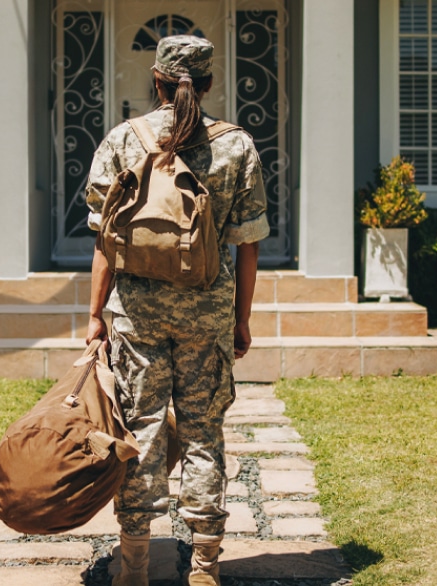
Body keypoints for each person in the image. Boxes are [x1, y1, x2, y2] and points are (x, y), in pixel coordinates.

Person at [85, 34, 269, 586]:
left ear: (157, 81)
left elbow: (104, 241)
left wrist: (95, 315)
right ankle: (206, 568)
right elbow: (248, 243)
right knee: (203, 434)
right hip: (207, 315)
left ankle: (135, 566)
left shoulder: (124, 140)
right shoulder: (235, 146)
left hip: (136, 315)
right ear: (208, 83)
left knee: (140, 430)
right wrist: (241, 319)